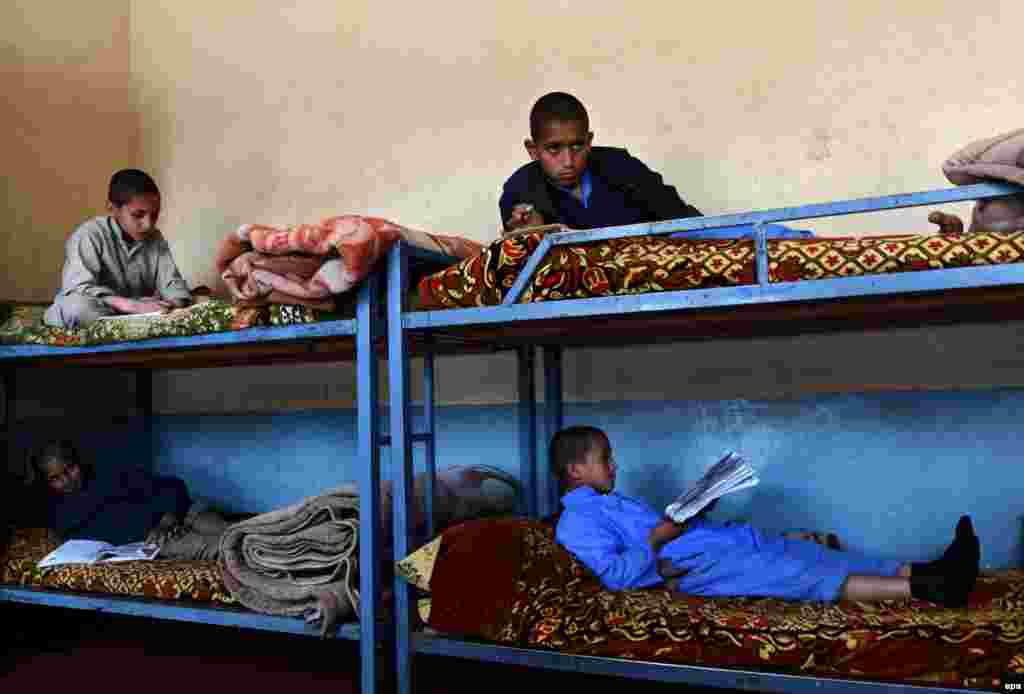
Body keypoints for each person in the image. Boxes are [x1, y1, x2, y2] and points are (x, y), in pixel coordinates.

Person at [550, 426, 980, 607]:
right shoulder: (577, 522)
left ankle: (929, 569)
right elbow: (617, 575)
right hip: (700, 569)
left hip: (716, 544)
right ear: (575, 470)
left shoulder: (612, 501)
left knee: (807, 552)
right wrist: (660, 538)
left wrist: (694, 507)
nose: (615, 466)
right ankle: (931, 589)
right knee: (798, 571)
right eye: (605, 459)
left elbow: (657, 531)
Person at [499, 92, 702, 234]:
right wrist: (533, 237)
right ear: (533, 150)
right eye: (554, 149)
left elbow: (684, 220)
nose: (568, 161)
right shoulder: (520, 190)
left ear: (589, 142)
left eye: (577, 146)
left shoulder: (622, 166)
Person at [44, 169, 192, 329]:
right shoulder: (89, 234)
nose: (149, 224)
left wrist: (171, 304)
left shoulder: (155, 238)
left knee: (200, 301)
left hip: (137, 311)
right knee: (77, 307)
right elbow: (78, 289)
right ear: (112, 208)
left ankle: (131, 322)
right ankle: (131, 322)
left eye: (154, 215)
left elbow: (173, 285)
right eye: (138, 215)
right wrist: (132, 306)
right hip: (99, 309)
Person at [32, 439, 228, 560]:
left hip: (182, 512)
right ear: (46, 483)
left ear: (78, 462)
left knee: (236, 532)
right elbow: (111, 536)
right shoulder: (60, 516)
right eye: (55, 478)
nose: (66, 480)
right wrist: (159, 531)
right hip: (157, 540)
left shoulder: (109, 473)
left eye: (69, 469)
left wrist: (169, 518)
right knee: (224, 549)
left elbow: (173, 486)